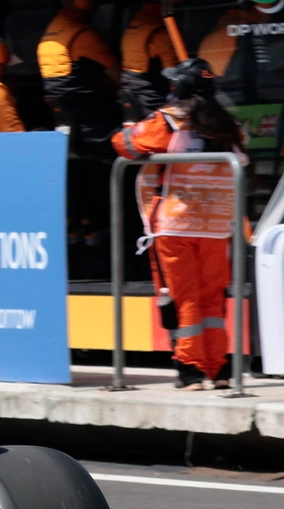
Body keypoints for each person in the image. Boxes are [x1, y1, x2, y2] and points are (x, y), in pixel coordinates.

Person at [114, 58, 246, 390]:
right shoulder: (229, 126)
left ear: (178, 89)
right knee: (212, 299)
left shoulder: (168, 121)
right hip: (216, 227)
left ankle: (190, 369)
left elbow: (125, 144)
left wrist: (131, 126)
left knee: (182, 297)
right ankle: (219, 370)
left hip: (174, 226)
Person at [37, 0, 120, 154]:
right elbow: (120, 79)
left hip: (71, 131)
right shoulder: (83, 35)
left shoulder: (46, 38)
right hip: (98, 130)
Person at [122, 2, 178, 119]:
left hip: (134, 98)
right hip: (154, 104)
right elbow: (175, 76)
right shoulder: (160, 32)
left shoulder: (133, 27)